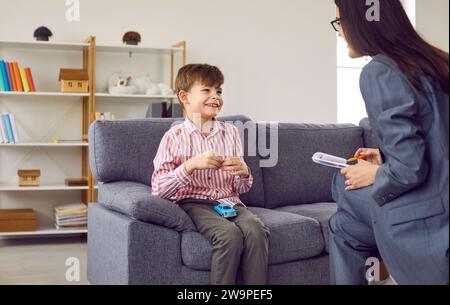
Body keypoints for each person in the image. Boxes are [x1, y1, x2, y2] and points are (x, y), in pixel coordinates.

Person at [329, 0, 449, 284]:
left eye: (340, 22)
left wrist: (375, 173)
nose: (339, 32)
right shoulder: (438, 61)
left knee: (341, 185)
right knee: (343, 225)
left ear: (362, 21)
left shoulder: (381, 71)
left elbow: (409, 169)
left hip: (428, 215)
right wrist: (385, 157)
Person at [151, 64, 270, 285]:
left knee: (256, 230)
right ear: (185, 97)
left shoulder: (231, 132)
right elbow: (158, 189)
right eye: (207, 90)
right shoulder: (174, 137)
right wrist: (190, 166)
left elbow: (241, 187)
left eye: (219, 91)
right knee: (229, 235)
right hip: (194, 204)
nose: (215, 96)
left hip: (230, 202)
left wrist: (244, 173)